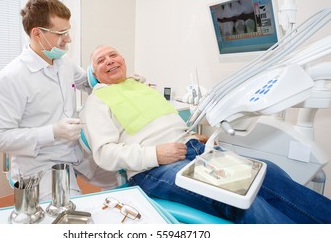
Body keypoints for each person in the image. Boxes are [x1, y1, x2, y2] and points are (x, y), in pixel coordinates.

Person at [80, 44, 331, 224]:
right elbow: (105, 154)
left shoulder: (143, 89)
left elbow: (164, 126)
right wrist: (155, 154)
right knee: (240, 197)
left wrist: (191, 137)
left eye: (114, 55)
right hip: (151, 169)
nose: (110, 60)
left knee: (268, 172)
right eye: (101, 61)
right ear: (94, 75)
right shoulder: (97, 101)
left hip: (194, 150)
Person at [0, 0, 118, 200]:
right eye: (61, 33)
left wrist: (122, 81)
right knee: (67, 214)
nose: (69, 39)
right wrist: (52, 132)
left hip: (76, 152)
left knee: (123, 176)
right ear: (37, 33)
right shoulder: (11, 78)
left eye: (68, 31)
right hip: (41, 163)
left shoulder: (63, 63)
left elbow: (88, 82)